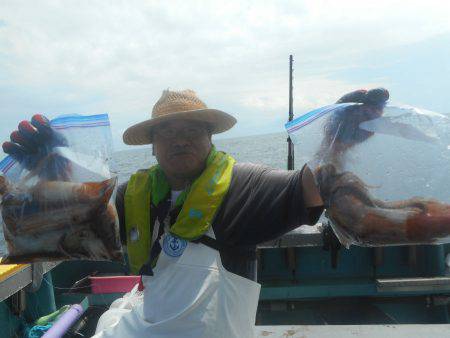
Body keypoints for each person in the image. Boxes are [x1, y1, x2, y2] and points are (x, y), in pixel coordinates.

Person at [2, 88, 382, 337]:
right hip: (144, 325)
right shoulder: (133, 195)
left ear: (211, 138)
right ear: (152, 147)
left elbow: (314, 185)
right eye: (166, 132)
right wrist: (54, 169)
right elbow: (75, 223)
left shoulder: (243, 186)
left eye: (193, 130)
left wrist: (335, 138)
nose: (180, 139)